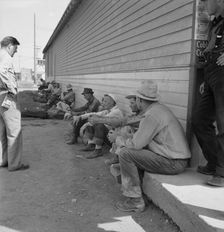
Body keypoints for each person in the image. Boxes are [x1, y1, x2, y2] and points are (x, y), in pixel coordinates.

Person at [114, 80, 191, 212]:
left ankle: (135, 201)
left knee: (125, 153)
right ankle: (140, 193)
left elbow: (136, 145)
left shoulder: (151, 115)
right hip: (175, 159)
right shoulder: (158, 109)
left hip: (173, 162)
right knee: (129, 152)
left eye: (135, 100)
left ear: (139, 100)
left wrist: (119, 140)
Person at [192, 0, 224, 187]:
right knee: (199, 120)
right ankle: (214, 163)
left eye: (206, 1)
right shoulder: (216, 21)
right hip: (212, 72)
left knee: (223, 124)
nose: (203, 6)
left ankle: (222, 172)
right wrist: (206, 78)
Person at [0, 36, 29, 171]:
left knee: (2, 131)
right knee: (14, 130)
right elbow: (2, 72)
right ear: (9, 46)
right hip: (7, 96)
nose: (16, 51)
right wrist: (12, 90)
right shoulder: (5, 57)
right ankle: (14, 164)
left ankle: (3, 160)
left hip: (0, 96)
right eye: (15, 48)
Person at [77, 94, 123, 159]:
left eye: (105, 101)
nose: (102, 103)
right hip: (108, 136)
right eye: (103, 101)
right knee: (91, 120)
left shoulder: (116, 112)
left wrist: (85, 125)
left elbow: (100, 120)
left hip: (113, 140)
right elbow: (94, 114)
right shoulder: (107, 110)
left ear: (112, 103)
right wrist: (81, 117)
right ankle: (91, 144)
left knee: (98, 124)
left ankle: (98, 150)